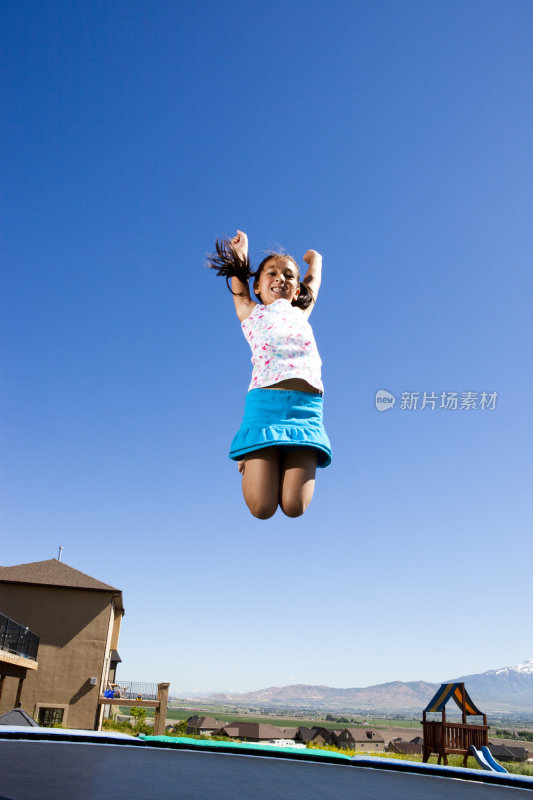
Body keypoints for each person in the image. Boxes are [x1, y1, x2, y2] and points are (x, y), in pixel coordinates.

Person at [208, 230, 331, 519]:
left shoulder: (301, 312)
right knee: (262, 508)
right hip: (265, 407)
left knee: (294, 507)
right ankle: (254, 454)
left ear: (296, 290)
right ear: (259, 287)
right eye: (272, 273)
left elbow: (313, 283)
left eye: (289, 276)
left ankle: (268, 453)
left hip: (306, 410)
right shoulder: (250, 312)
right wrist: (241, 251)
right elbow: (238, 281)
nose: (281, 278)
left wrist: (317, 261)